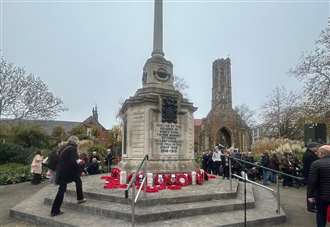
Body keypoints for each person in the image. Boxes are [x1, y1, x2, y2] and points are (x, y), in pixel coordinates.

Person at [51, 136, 86, 217]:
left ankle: (80, 198)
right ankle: (55, 211)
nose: (78, 143)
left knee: (77, 180)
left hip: (63, 172)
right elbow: (74, 161)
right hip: (66, 173)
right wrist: (81, 166)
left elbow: (69, 160)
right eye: (77, 141)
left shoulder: (65, 148)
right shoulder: (72, 149)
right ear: (75, 142)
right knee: (62, 190)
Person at [307, 145, 330, 227]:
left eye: (319, 152)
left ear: (322, 153)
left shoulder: (316, 164)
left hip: (321, 195)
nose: (317, 154)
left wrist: (310, 195)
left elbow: (312, 181)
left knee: (321, 214)